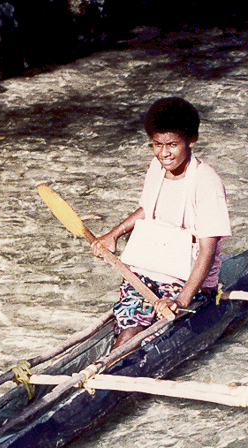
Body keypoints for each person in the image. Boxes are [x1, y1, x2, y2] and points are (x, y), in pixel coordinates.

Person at [91, 97, 232, 347]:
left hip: (186, 283)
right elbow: (147, 210)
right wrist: (113, 234)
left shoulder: (207, 183)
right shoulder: (156, 167)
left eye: (172, 144)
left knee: (149, 338)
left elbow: (207, 252)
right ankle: (112, 363)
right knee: (128, 334)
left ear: (191, 140)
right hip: (146, 276)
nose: (164, 153)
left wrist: (181, 301)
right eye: (157, 144)